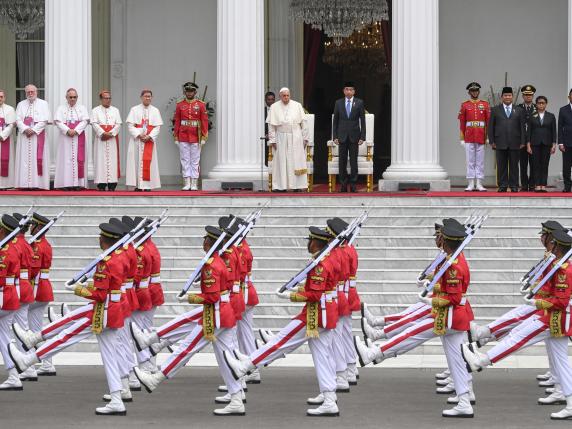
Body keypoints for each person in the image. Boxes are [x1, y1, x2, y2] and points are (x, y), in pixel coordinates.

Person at [355, 221, 475, 418]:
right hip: (453, 316)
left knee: (411, 333)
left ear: (446, 241)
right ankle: (464, 399)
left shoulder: (454, 266)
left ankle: (374, 353)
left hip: (450, 317)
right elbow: (449, 289)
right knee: (456, 360)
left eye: (441, 237)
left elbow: (453, 297)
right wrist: (432, 286)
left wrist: (430, 301)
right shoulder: (453, 259)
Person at [9, 222, 128, 416]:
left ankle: (28, 359)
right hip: (113, 309)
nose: (98, 239)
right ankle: (117, 398)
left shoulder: (109, 261)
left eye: (100, 237)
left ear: (105, 240)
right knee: (109, 355)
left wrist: (79, 290)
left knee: (66, 336)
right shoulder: (118, 257)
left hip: (104, 311)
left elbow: (100, 294)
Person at [223, 226, 340, 417]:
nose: (308, 244)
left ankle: (246, 365)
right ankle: (329, 398)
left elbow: (315, 294)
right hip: (324, 312)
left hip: (316, 313)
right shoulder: (324, 259)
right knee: (322, 356)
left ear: (317, 242)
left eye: (310, 241)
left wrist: (291, 296)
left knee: (280, 342)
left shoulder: (321, 263)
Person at [461, 228, 572, 421]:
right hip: (557, 314)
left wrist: (536, 303)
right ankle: (568, 399)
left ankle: (481, 361)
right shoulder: (560, 265)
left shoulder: (565, 269)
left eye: (553, 243)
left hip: (557, 317)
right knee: (560, 361)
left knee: (519, 336)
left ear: (558, 246)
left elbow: (561, 301)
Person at [134, 225, 245, 416]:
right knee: (225, 358)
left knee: (187, 347)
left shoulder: (212, 265)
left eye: (206, 239)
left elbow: (211, 297)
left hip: (215, 315)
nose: (203, 242)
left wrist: (190, 298)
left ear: (211, 242)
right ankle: (236, 398)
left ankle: (157, 377)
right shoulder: (216, 261)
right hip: (222, 313)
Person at [27, 212, 56, 376]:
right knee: (36, 330)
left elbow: (33, 269)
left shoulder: (38, 246)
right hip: (41, 288)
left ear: (38, 227)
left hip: (36, 288)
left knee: (27, 330)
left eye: (33, 225)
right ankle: (46, 363)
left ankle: (29, 365)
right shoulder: (41, 244)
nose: (31, 228)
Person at [266, 87, 308, 192]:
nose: (286, 97)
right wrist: (272, 140)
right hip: (281, 137)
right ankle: (281, 186)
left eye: (287, 95)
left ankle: (297, 186)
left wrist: (305, 138)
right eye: (284, 95)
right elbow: (271, 126)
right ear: (280, 96)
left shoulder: (297, 105)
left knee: (295, 161)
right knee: (281, 162)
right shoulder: (274, 107)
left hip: (296, 136)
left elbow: (304, 123)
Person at [488, 87, 526, 192]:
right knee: (501, 165)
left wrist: (523, 141)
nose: (507, 97)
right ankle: (503, 185)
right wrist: (491, 141)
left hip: (516, 142)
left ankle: (514, 185)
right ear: (502, 97)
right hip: (500, 142)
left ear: (512, 97)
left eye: (509, 95)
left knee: (514, 165)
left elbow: (522, 127)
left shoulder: (519, 110)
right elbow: (491, 126)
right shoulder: (495, 110)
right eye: (505, 95)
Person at [174, 82, 209, 191]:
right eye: (187, 91)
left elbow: (204, 121)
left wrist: (204, 137)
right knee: (184, 159)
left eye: (191, 91)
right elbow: (177, 121)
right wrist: (176, 136)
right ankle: (187, 182)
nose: (189, 93)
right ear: (185, 92)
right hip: (183, 135)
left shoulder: (201, 105)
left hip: (196, 135)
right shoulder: (180, 105)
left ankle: (194, 183)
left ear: (195, 92)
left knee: (195, 160)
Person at [15, 84, 51, 190]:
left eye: (32, 91)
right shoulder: (21, 104)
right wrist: (26, 129)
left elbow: (45, 120)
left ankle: (38, 184)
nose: (30, 94)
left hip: (38, 135)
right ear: (25, 93)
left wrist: (34, 130)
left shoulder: (43, 104)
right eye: (28, 92)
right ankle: (24, 184)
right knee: (24, 159)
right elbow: (17, 119)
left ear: (36, 92)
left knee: (38, 158)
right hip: (25, 136)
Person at [0, 215, 22, 391]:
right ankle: (13, 374)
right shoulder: (12, 248)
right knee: (4, 337)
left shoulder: (3, 252)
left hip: (3, 296)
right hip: (11, 295)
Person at [332, 82, 366, 193]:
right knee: (342, 162)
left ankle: (353, 184)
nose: (349, 91)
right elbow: (335, 121)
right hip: (341, 136)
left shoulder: (359, 103)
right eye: (346, 89)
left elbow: (363, 121)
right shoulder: (338, 103)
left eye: (351, 89)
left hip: (354, 136)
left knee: (353, 161)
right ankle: (343, 184)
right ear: (344, 91)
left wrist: (362, 136)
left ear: (354, 91)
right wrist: (335, 136)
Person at [126, 89, 162, 191]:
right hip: (137, 141)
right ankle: (137, 185)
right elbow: (130, 125)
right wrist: (139, 135)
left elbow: (157, 127)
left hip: (149, 141)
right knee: (136, 162)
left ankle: (147, 186)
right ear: (141, 97)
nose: (148, 98)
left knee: (149, 163)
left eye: (149, 96)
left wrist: (149, 136)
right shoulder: (134, 109)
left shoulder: (155, 110)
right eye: (146, 96)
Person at [54, 88, 90, 190]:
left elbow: (85, 121)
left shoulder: (82, 108)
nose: (73, 99)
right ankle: (65, 184)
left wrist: (76, 130)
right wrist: (67, 130)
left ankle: (78, 184)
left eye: (75, 97)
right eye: (70, 97)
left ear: (77, 97)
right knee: (65, 160)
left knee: (79, 160)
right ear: (66, 97)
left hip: (78, 137)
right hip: (65, 139)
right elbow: (58, 121)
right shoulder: (61, 108)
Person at [458, 82, 490, 191]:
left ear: (479, 91)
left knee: (480, 161)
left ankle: (479, 183)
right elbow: (462, 123)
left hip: (481, 135)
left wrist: (487, 137)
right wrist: (462, 138)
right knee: (470, 161)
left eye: (476, 90)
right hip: (469, 136)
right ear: (469, 92)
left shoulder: (485, 104)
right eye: (472, 90)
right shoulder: (465, 105)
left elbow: (488, 122)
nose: (474, 92)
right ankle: (471, 183)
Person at [91, 90, 122, 191]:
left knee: (112, 160)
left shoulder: (115, 110)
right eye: (106, 98)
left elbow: (118, 124)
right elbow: (94, 123)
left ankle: (112, 184)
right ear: (101, 99)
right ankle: (101, 184)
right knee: (100, 160)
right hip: (100, 139)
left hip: (112, 139)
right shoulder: (95, 110)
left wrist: (111, 133)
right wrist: (102, 133)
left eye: (109, 98)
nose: (108, 100)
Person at [527, 96, 556, 192]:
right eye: (539, 103)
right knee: (535, 165)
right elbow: (529, 131)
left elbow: (554, 131)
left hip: (547, 143)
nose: (541, 104)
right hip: (535, 143)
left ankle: (543, 184)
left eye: (543, 103)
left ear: (546, 104)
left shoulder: (551, 116)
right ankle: (537, 184)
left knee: (544, 164)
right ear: (536, 104)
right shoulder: (532, 116)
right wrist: (528, 145)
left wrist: (554, 144)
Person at [518, 85, 538, 191]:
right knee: (523, 164)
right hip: (522, 141)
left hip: (534, 141)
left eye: (530, 95)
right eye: (526, 95)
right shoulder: (518, 108)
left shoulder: (537, 107)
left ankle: (532, 184)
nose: (528, 97)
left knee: (534, 164)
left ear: (533, 95)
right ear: (522, 96)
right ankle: (524, 185)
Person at [0, 90, 16, 189]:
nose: (0, 99)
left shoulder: (10, 109)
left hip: (6, 138)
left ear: (4, 98)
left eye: (1, 97)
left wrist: (2, 135)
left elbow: (11, 125)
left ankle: (7, 184)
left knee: (6, 160)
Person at [558, 88, 572, 192]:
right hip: (567, 143)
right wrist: (561, 142)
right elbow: (560, 126)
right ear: (569, 97)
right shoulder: (563, 110)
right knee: (566, 167)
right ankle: (567, 187)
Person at [264, 91, 275, 166]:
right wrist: (264, 135)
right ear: (265, 100)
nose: (270, 101)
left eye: (272, 99)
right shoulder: (261, 111)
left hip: (275, 139)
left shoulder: (278, 110)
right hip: (264, 139)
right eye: (269, 99)